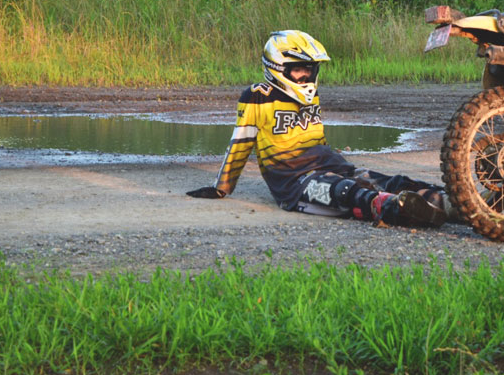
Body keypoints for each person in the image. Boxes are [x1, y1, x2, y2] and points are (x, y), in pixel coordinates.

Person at [186, 30, 448, 227]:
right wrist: (223, 187)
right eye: (299, 70)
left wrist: (335, 162)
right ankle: (396, 207)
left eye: (309, 70)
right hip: (293, 181)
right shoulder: (257, 96)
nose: (306, 77)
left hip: (329, 165)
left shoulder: (311, 94)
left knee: (391, 181)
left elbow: (317, 137)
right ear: (278, 68)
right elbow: (240, 144)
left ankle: (454, 202)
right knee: (347, 191)